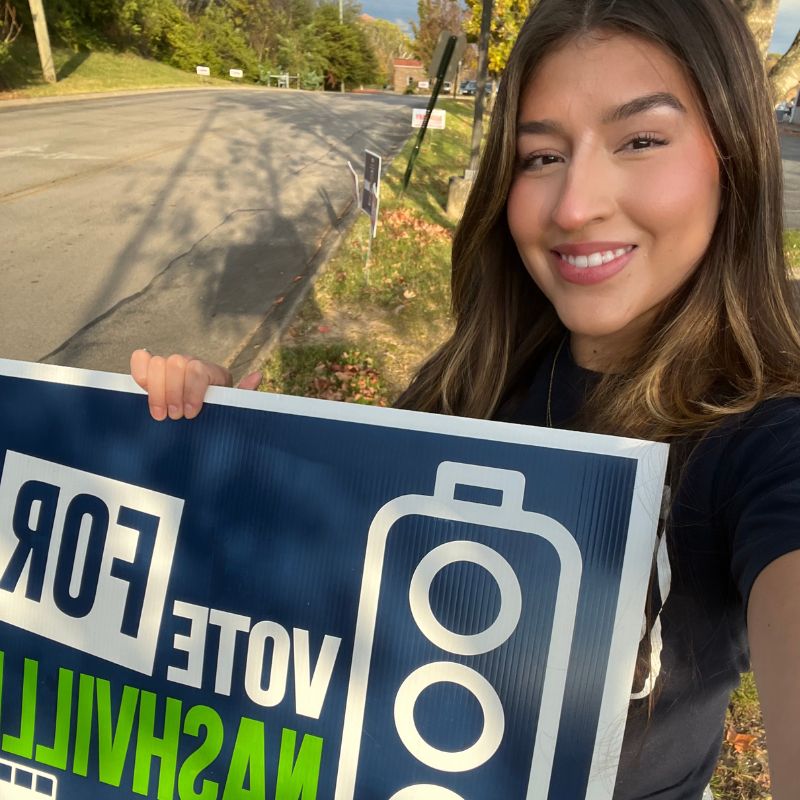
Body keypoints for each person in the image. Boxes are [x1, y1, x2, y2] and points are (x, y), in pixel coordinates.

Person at [130, 0, 800, 796]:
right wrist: (224, 449)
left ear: (736, 156)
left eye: (642, 141)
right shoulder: (480, 375)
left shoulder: (762, 434)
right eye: (541, 156)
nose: (575, 204)